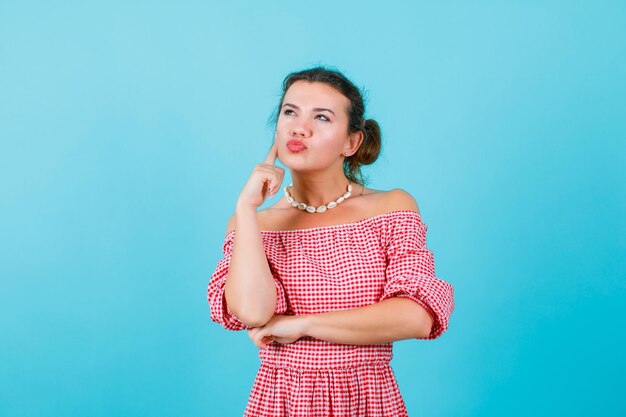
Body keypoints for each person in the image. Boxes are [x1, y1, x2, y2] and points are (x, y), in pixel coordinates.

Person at [207, 66, 455, 417]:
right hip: (282, 402)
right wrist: (246, 208)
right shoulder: (253, 224)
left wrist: (304, 325)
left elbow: (417, 317)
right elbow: (252, 312)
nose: (299, 127)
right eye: (290, 112)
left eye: (321, 117)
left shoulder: (390, 208)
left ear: (351, 142)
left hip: (367, 399)